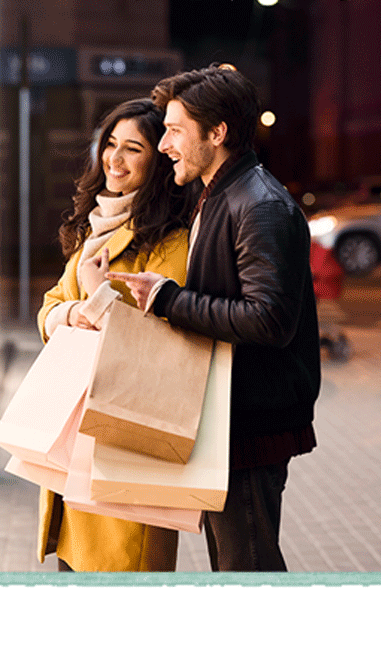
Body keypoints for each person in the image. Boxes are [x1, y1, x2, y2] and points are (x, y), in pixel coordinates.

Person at [108, 65, 321, 572]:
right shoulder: (223, 192)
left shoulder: (260, 204)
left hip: (253, 422)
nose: (164, 145)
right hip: (234, 418)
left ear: (217, 133)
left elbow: (269, 319)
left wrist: (168, 300)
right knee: (236, 565)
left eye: (175, 130)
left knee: (246, 568)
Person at [36, 98, 192, 571]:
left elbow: (164, 339)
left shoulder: (170, 241)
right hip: (74, 427)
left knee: (123, 578)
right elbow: (50, 305)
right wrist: (74, 313)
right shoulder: (96, 229)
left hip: (126, 433)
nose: (115, 159)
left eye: (133, 149)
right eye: (110, 144)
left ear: (158, 162)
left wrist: (98, 297)